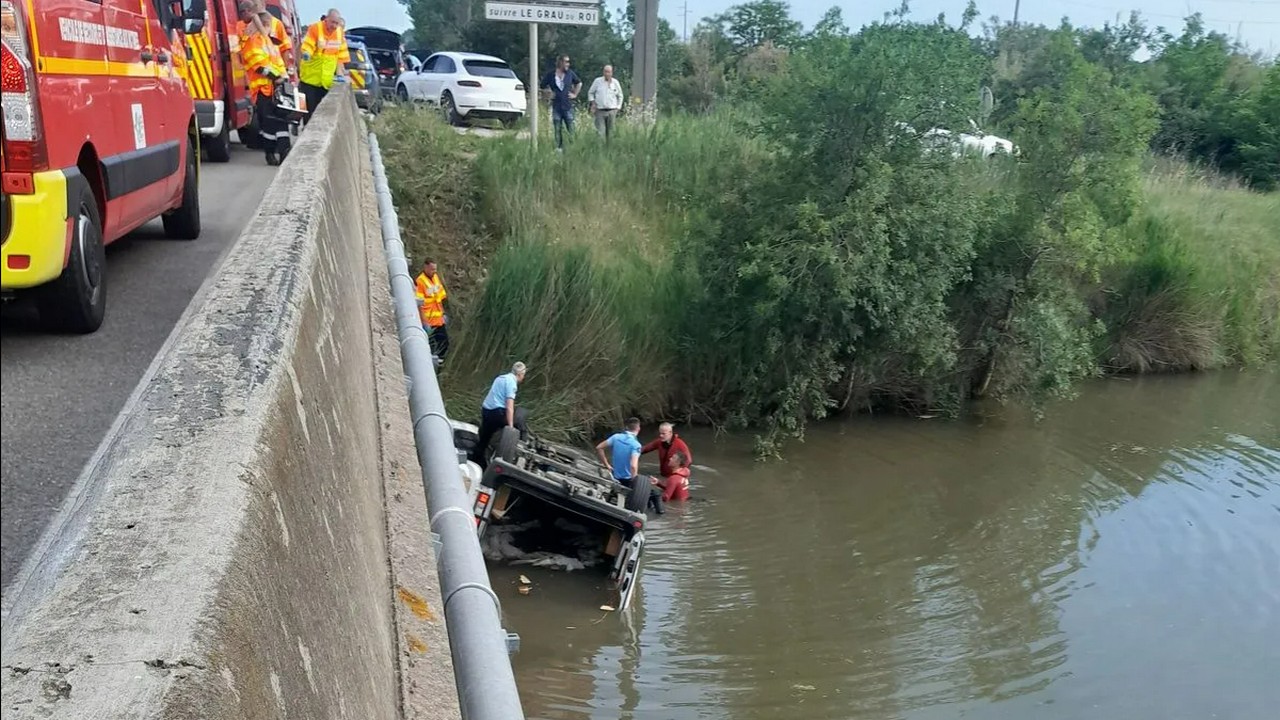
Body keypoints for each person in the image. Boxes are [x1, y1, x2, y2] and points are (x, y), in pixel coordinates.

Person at [238, 4, 291, 165]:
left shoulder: (268, 42)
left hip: (275, 89)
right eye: (268, 26)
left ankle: (284, 151)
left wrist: (284, 77)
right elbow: (259, 66)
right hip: (263, 90)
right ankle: (271, 153)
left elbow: (278, 62)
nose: (270, 30)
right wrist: (277, 77)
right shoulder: (253, 42)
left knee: (280, 122)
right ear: (264, 25)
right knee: (269, 124)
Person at [597, 417, 664, 515]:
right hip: (627, 480)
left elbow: (599, 447)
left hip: (615, 476)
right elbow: (633, 465)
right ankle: (659, 515)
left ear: (626, 427)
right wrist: (635, 482)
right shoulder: (636, 445)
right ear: (638, 428)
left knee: (645, 488)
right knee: (656, 493)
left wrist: (607, 465)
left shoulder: (616, 437)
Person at [297, 9, 349, 124]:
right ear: (326, 19)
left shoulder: (339, 33)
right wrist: (306, 53)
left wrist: (340, 74)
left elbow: (341, 56)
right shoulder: (315, 28)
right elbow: (308, 45)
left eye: (337, 23)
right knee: (308, 113)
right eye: (332, 22)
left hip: (326, 82)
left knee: (322, 115)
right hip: (310, 79)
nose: (334, 26)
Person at [473, 362, 528, 466]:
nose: (523, 377)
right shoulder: (512, 383)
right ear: (520, 374)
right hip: (497, 414)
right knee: (521, 413)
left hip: (486, 410)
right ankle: (523, 441)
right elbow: (509, 407)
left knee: (484, 438)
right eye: (523, 375)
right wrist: (511, 427)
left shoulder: (500, 378)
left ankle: (476, 458)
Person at [236, 0, 294, 77]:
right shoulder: (240, 26)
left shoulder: (276, 23)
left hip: (270, 72)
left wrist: (283, 72)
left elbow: (285, 48)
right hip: (260, 73)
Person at [539, 55, 581, 152]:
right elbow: (542, 86)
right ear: (560, 62)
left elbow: (579, 83)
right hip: (556, 106)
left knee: (571, 128)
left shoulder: (570, 73)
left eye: (568, 62)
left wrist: (575, 94)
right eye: (566, 62)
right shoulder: (551, 74)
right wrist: (548, 94)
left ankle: (572, 147)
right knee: (557, 129)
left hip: (567, 105)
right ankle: (558, 148)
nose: (568, 64)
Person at [414, 259, 449, 362]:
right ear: (425, 268)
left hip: (438, 319)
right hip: (428, 320)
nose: (434, 271)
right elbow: (419, 303)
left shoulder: (435, 278)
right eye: (432, 269)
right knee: (431, 346)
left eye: (435, 269)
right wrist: (424, 321)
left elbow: (440, 298)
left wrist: (442, 313)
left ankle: (439, 363)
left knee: (444, 343)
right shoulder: (420, 281)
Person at [587, 65, 624, 141]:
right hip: (600, 110)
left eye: (609, 72)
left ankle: (610, 147)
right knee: (600, 133)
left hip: (612, 110)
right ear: (603, 72)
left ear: (612, 73)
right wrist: (593, 103)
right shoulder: (597, 81)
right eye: (605, 71)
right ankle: (601, 147)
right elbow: (590, 93)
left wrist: (618, 107)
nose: (607, 74)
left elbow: (620, 95)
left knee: (611, 132)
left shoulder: (615, 82)